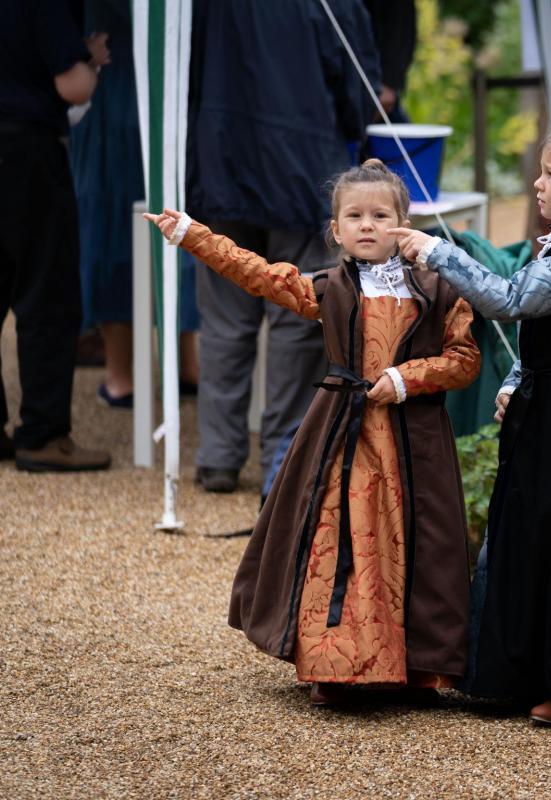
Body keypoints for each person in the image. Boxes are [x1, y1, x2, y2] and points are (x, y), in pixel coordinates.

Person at [144, 159, 482, 706]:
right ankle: (337, 663)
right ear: (335, 229)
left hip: (415, 442)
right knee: (341, 539)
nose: (367, 225)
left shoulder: (441, 288)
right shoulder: (327, 288)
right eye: (355, 215)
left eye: (380, 214)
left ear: (404, 222)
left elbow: (465, 359)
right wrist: (193, 235)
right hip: (341, 434)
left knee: (419, 542)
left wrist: (404, 378)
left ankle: (416, 665)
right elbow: (255, 272)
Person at [392, 118, 551, 726]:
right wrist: (514, 381)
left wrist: (436, 250)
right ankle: (515, 675)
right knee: (528, 534)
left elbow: (508, 301)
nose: (536, 184)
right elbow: (547, 333)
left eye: (550, 174)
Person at [185, 0, 381, 493]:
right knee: (297, 316)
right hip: (303, 165)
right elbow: (356, 86)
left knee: (226, 321)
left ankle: (218, 456)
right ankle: (282, 457)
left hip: (220, 159)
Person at [0, 0, 112, 471]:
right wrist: (92, 61)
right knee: (47, 290)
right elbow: (74, 85)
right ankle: (43, 435)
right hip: (22, 141)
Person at [69, 0, 200, 410]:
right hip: (167, 98)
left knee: (111, 230)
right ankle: (183, 363)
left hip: (109, 99)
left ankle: (120, 374)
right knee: (176, 223)